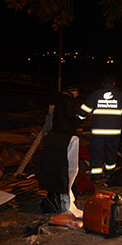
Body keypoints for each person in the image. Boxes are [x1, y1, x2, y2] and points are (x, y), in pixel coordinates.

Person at [78, 75, 122, 180]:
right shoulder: (120, 96)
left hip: (98, 133)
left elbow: (83, 112)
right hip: (114, 132)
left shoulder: (95, 95)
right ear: (114, 84)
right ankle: (109, 173)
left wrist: (78, 121)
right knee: (111, 152)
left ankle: (96, 175)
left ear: (102, 84)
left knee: (96, 153)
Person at [39, 86, 83, 217]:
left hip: (56, 135)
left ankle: (57, 198)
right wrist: (76, 125)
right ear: (73, 91)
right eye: (77, 92)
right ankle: (66, 198)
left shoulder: (58, 99)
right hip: (67, 136)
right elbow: (70, 117)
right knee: (68, 167)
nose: (77, 94)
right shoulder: (69, 101)